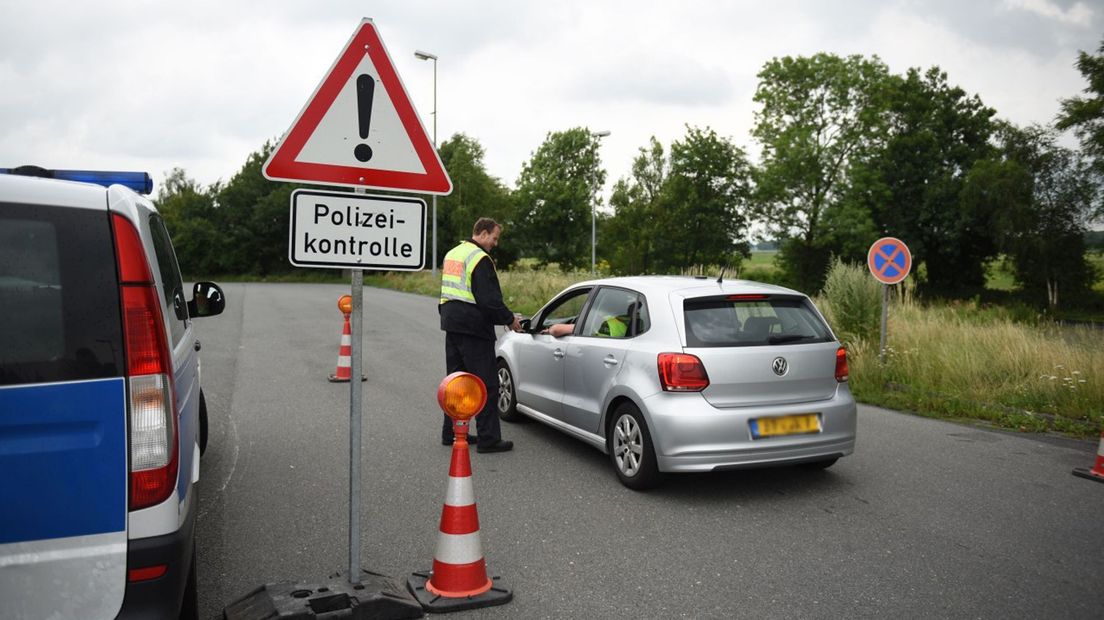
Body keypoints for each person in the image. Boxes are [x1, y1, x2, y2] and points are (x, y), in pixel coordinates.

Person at [439, 217, 522, 453]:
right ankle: (489, 439)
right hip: (474, 327)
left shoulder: (453, 253)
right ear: (483, 234)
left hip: (451, 322)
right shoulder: (480, 258)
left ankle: (452, 433)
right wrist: (509, 319)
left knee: (455, 381)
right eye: (494, 238)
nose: (495, 244)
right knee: (486, 383)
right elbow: (489, 300)